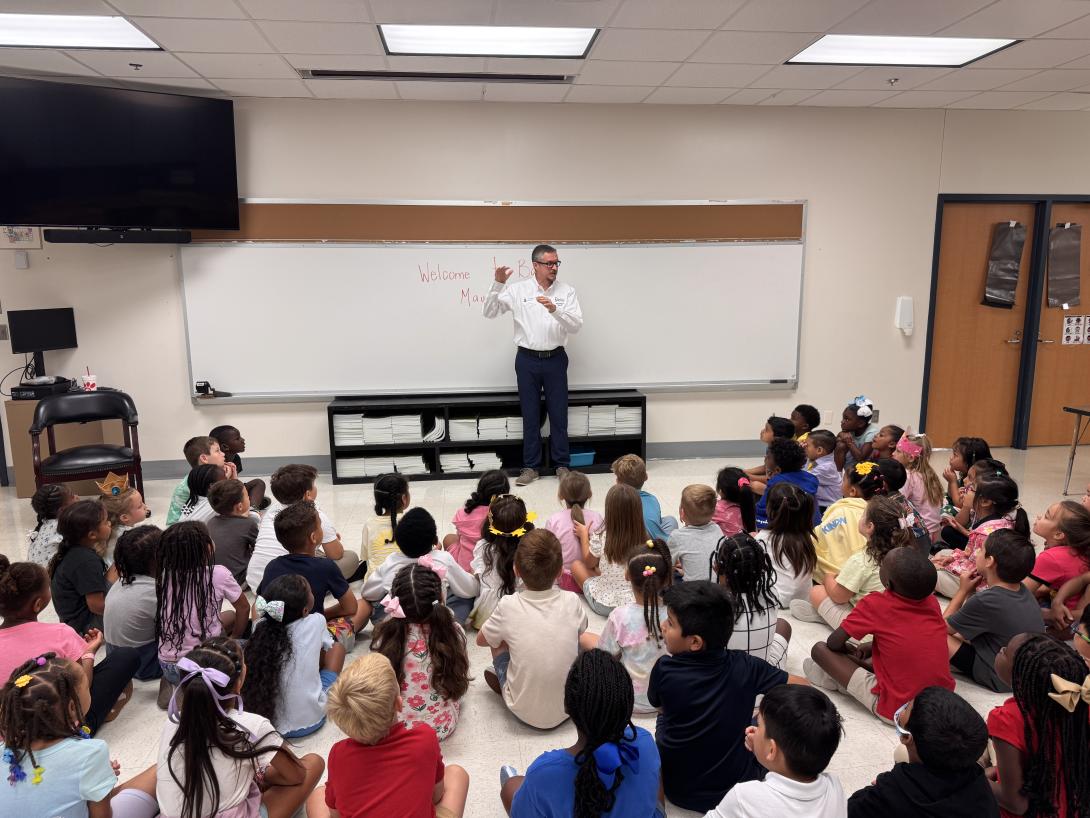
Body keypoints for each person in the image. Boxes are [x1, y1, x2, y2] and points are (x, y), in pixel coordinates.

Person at [649, 581, 806, 813]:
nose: (663, 626)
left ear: (695, 642)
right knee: (754, 725)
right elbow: (804, 687)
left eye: (670, 623)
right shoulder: (747, 666)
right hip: (735, 787)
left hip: (678, 789)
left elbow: (660, 708)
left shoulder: (664, 669)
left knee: (663, 719)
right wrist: (765, 718)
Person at [157, 637, 324, 818]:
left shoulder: (173, 721)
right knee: (313, 763)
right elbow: (296, 775)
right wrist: (262, 773)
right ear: (239, 682)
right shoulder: (252, 725)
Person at [500, 650, 664, 818]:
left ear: (567, 705)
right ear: (628, 703)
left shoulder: (544, 772)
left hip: (543, 783)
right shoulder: (644, 742)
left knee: (510, 787)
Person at [305, 653, 470, 818]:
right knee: (456, 774)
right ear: (399, 703)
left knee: (318, 795)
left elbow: (336, 814)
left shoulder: (338, 754)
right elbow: (436, 795)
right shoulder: (424, 738)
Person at [807, 548, 955, 723]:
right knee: (870, 654)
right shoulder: (932, 603)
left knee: (820, 650)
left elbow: (833, 643)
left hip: (899, 711)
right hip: (942, 704)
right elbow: (908, 639)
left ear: (888, 584)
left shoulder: (876, 603)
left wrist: (846, 649)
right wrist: (871, 646)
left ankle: (835, 682)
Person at [0, 654, 158, 818]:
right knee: (161, 770)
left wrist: (96, 777)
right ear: (72, 707)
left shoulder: (5, 751)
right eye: (87, 687)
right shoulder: (91, 753)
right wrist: (100, 777)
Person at [0, 556, 139, 734]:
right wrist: (89, 652)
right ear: (38, 604)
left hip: (12, 733)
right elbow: (83, 686)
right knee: (126, 656)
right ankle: (89, 724)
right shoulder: (60, 633)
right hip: (62, 727)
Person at [483, 243, 584, 487]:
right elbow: (489, 312)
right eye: (549, 263)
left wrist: (555, 310)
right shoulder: (518, 290)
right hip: (527, 359)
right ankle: (531, 467)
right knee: (530, 415)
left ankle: (561, 465)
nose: (554, 268)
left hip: (556, 359)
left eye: (556, 263)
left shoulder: (567, 291)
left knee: (559, 414)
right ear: (536, 265)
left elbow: (576, 326)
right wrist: (498, 284)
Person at [478, 529, 588, 729]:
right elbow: (581, 630)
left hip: (523, 711)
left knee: (497, 640)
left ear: (516, 570)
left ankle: (510, 683)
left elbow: (481, 640)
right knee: (579, 638)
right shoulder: (572, 600)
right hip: (569, 707)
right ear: (560, 571)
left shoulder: (508, 605)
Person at [848, 686, 999, 818]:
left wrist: (886, 787)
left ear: (906, 737)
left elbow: (847, 810)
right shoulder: (982, 790)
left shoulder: (887, 793)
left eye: (907, 708)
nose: (903, 709)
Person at [986, 632, 1090, 818]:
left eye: (1005, 652)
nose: (1001, 650)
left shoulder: (1007, 719)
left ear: (1020, 679)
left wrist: (976, 779)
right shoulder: (1081, 705)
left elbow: (1016, 804)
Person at [705, 685, 847, 818]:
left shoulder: (743, 797)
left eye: (759, 724)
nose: (755, 728)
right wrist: (762, 747)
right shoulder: (834, 787)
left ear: (772, 750)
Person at [371, 562, 470, 741]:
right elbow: (458, 673)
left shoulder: (385, 636)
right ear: (440, 597)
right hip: (441, 726)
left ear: (394, 600)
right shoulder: (453, 632)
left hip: (397, 729)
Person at [243, 574, 345, 738]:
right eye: (311, 592)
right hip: (310, 720)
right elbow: (326, 648)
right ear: (305, 610)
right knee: (337, 649)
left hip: (268, 723)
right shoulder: (317, 621)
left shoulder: (259, 626)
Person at [792, 496, 913, 631]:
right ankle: (827, 615)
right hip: (898, 622)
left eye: (863, 515)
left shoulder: (861, 560)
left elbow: (839, 597)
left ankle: (826, 617)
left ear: (869, 527)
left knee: (817, 592)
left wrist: (828, 578)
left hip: (868, 633)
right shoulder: (905, 555)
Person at [944, 530, 1044, 692]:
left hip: (1000, 676)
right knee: (959, 630)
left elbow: (941, 627)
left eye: (981, 549)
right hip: (1021, 674)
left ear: (990, 561)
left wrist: (962, 591)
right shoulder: (1021, 589)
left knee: (934, 634)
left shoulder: (987, 600)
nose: (977, 552)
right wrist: (971, 592)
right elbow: (970, 620)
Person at [157, 521, 250, 690]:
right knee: (252, 645)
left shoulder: (164, 576)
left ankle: (176, 687)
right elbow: (244, 608)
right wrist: (234, 639)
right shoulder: (219, 574)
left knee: (228, 615)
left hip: (168, 666)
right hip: (206, 665)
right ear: (208, 548)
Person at [582, 541, 673, 713]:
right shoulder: (674, 615)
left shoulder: (620, 616)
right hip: (665, 699)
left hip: (629, 699)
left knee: (585, 638)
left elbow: (605, 656)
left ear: (627, 575)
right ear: (666, 578)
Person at [258, 500, 369, 639]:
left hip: (276, 635)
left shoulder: (272, 566)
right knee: (364, 606)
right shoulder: (325, 566)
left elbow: (260, 605)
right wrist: (322, 614)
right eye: (320, 526)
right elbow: (350, 607)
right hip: (312, 636)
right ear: (313, 537)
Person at [247, 463, 356, 590]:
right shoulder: (315, 515)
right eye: (314, 485)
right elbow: (336, 554)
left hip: (257, 582)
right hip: (291, 589)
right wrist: (332, 540)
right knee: (350, 558)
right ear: (308, 494)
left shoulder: (272, 511)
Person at [361, 508, 479, 617]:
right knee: (463, 597)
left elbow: (368, 593)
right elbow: (471, 589)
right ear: (435, 540)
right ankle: (450, 621)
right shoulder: (443, 559)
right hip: (436, 619)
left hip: (400, 621)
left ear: (398, 542)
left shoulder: (391, 561)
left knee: (379, 601)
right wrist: (473, 576)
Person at [932, 473, 1030, 598]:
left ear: (985, 501)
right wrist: (952, 558)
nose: (965, 490)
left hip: (977, 586)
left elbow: (976, 570)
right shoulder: (1002, 520)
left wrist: (947, 566)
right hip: (979, 570)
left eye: (970, 489)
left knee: (930, 573)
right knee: (943, 553)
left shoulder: (985, 534)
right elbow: (970, 554)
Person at [712, 533, 792, 668]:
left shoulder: (712, 605)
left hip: (725, 676)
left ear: (717, 568)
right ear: (762, 567)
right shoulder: (771, 595)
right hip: (765, 674)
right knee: (783, 625)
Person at [573, 483, 649, 615]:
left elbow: (588, 563)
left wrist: (584, 536)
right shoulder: (645, 538)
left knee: (576, 566)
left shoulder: (601, 536)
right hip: (637, 601)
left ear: (609, 511)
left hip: (604, 604)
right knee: (601, 570)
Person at [104, 525, 163, 682]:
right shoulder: (154, 593)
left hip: (114, 655)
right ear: (157, 559)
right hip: (145, 664)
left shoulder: (122, 581)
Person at [812, 462, 885, 581]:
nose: (841, 483)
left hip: (839, 579)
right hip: (877, 578)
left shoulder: (841, 511)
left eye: (843, 480)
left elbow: (819, 538)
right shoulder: (885, 512)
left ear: (852, 491)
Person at [469, 494, 533, 628]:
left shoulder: (482, 547)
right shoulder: (529, 550)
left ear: (489, 523)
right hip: (518, 616)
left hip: (486, 617)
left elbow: (477, 577)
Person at [49, 499, 112, 634]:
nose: (110, 523)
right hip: (85, 626)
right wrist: (123, 612)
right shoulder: (86, 561)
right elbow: (96, 606)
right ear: (92, 535)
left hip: (72, 622)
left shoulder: (73, 551)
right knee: (118, 567)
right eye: (106, 522)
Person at [755, 482, 817, 609]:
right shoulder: (806, 537)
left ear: (769, 510)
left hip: (776, 600)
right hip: (803, 599)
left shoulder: (764, 538)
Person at [1026, 499, 1090, 613]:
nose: (1039, 516)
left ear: (1058, 534)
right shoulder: (1080, 548)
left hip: (1064, 616)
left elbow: (1018, 594)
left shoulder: (1051, 557)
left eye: (1046, 516)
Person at [546, 469, 604, 592]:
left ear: (561, 495)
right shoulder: (597, 518)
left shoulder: (553, 520)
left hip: (564, 579)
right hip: (591, 577)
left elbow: (548, 553)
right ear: (589, 494)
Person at [443, 468, 510, 573]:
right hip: (492, 568)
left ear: (480, 489)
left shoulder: (462, 513)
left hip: (464, 569)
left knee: (449, 538)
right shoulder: (505, 515)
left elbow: (460, 538)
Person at [166, 435, 236, 526]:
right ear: (204, 458)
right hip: (191, 529)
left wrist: (233, 478)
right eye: (217, 451)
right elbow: (172, 522)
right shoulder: (185, 487)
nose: (223, 454)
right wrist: (225, 481)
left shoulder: (221, 474)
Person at [939, 436, 992, 549]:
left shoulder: (978, 484)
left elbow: (958, 504)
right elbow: (952, 497)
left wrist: (952, 481)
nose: (951, 458)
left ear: (968, 462)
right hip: (970, 525)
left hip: (981, 541)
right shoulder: (969, 478)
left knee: (947, 530)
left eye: (955, 455)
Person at [206, 478, 260, 587]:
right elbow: (259, 548)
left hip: (212, 579)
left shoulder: (210, 522)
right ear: (239, 506)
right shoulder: (249, 524)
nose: (249, 498)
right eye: (247, 496)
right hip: (237, 580)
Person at [755, 438, 820, 528]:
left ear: (778, 470)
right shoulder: (811, 478)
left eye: (768, 457)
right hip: (811, 527)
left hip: (786, 529)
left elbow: (761, 510)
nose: (765, 458)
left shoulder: (776, 482)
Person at [612, 453, 677, 541]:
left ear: (617, 482)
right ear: (646, 477)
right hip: (656, 545)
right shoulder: (652, 499)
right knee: (671, 520)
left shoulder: (614, 501)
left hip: (627, 543)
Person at [892, 433, 943, 542]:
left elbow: (897, 503)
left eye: (898, 451)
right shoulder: (929, 474)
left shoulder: (908, 476)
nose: (893, 454)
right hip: (935, 532)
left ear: (911, 458)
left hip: (920, 535)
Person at [668, 484, 723, 581]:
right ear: (714, 512)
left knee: (673, 573)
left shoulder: (676, 536)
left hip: (693, 589)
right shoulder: (717, 528)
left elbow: (667, 565)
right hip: (718, 586)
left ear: (682, 513)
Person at [363, 472, 411, 581]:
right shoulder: (412, 522)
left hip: (375, 584)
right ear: (404, 498)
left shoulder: (369, 524)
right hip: (407, 583)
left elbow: (366, 556)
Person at [209, 424, 269, 510]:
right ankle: (249, 505)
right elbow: (215, 490)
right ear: (225, 446)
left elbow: (235, 482)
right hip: (219, 495)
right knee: (258, 498)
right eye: (237, 439)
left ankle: (252, 510)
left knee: (259, 483)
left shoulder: (236, 458)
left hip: (232, 489)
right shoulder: (214, 463)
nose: (243, 440)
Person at [97, 471, 150, 567]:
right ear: (125, 517)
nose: (145, 506)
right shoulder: (130, 539)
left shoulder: (115, 529)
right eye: (140, 506)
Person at [744, 416, 797, 495]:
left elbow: (773, 478)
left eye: (766, 430)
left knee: (753, 485)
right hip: (773, 479)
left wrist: (749, 476)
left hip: (782, 487)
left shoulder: (782, 453)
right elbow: (766, 467)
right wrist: (745, 472)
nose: (762, 431)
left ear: (777, 437)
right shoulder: (770, 447)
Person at [26, 483, 74, 566]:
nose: (77, 497)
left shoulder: (45, 523)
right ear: (62, 510)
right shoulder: (65, 527)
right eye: (72, 496)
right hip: (47, 573)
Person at [834, 396, 879, 472]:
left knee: (843, 443)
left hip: (864, 468)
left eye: (847, 419)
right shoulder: (851, 429)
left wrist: (849, 442)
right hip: (849, 466)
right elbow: (834, 446)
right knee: (840, 444)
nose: (842, 421)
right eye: (843, 418)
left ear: (860, 423)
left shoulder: (872, 433)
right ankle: (838, 474)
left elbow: (861, 459)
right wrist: (840, 434)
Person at [712, 466, 757, 538]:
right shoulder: (749, 504)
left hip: (727, 544)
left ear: (721, 490)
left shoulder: (716, 509)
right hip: (748, 542)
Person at [804, 430, 842, 515]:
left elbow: (802, 478)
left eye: (807, 445)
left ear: (819, 450)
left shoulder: (825, 468)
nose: (804, 447)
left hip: (828, 508)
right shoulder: (819, 460)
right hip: (822, 504)